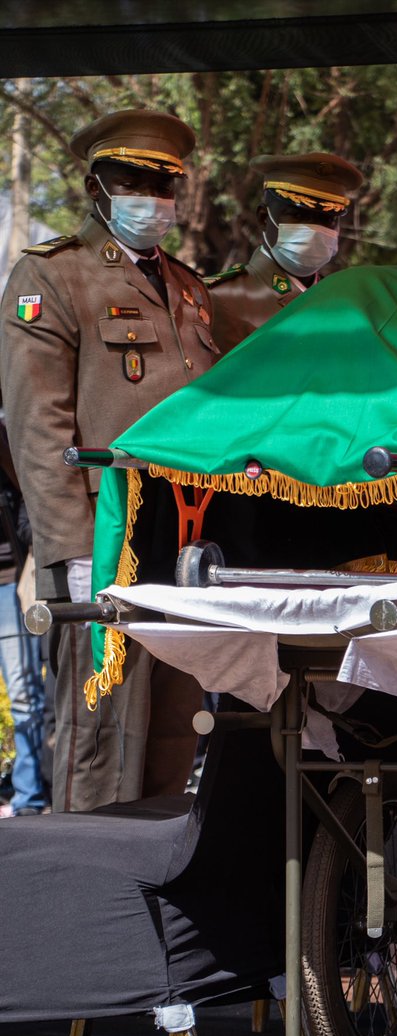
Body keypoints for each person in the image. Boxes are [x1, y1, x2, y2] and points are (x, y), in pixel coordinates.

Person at [0, 108, 220, 812]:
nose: (151, 199)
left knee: (173, 732)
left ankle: (155, 899)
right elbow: (39, 429)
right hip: (105, 541)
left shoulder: (187, 288)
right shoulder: (53, 275)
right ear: (95, 186)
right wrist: (71, 550)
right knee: (101, 739)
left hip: (186, 544)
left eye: (163, 184)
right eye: (133, 181)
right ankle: (85, 902)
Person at [206, 152, 364, 353]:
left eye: (327, 219)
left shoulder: (344, 304)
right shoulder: (221, 299)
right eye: (299, 215)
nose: (314, 229)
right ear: (264, 218)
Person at [0, 416, 49, 817]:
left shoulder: (6, 435)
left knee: (23, 693)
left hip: (6, 580)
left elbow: (30, 502)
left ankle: (29, 793)